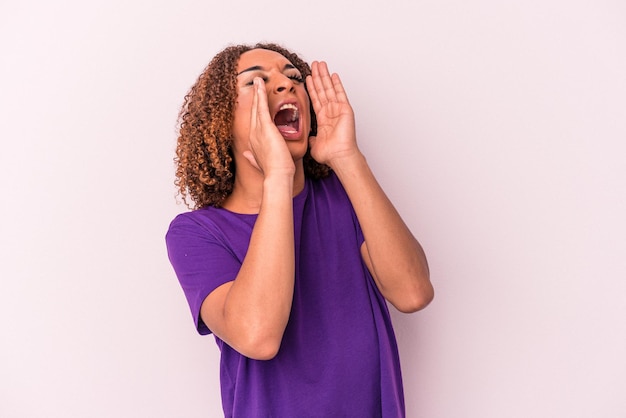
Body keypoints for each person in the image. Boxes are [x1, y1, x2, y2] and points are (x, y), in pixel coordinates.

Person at [165, 42, 434, 418]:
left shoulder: (345, 197)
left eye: (294, 77)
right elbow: (258, 336)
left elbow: (413, 292)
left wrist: (347, 157)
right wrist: (277, 176)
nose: (286, 85)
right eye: (255, 82)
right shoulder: (197, 233)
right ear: (221, 119)